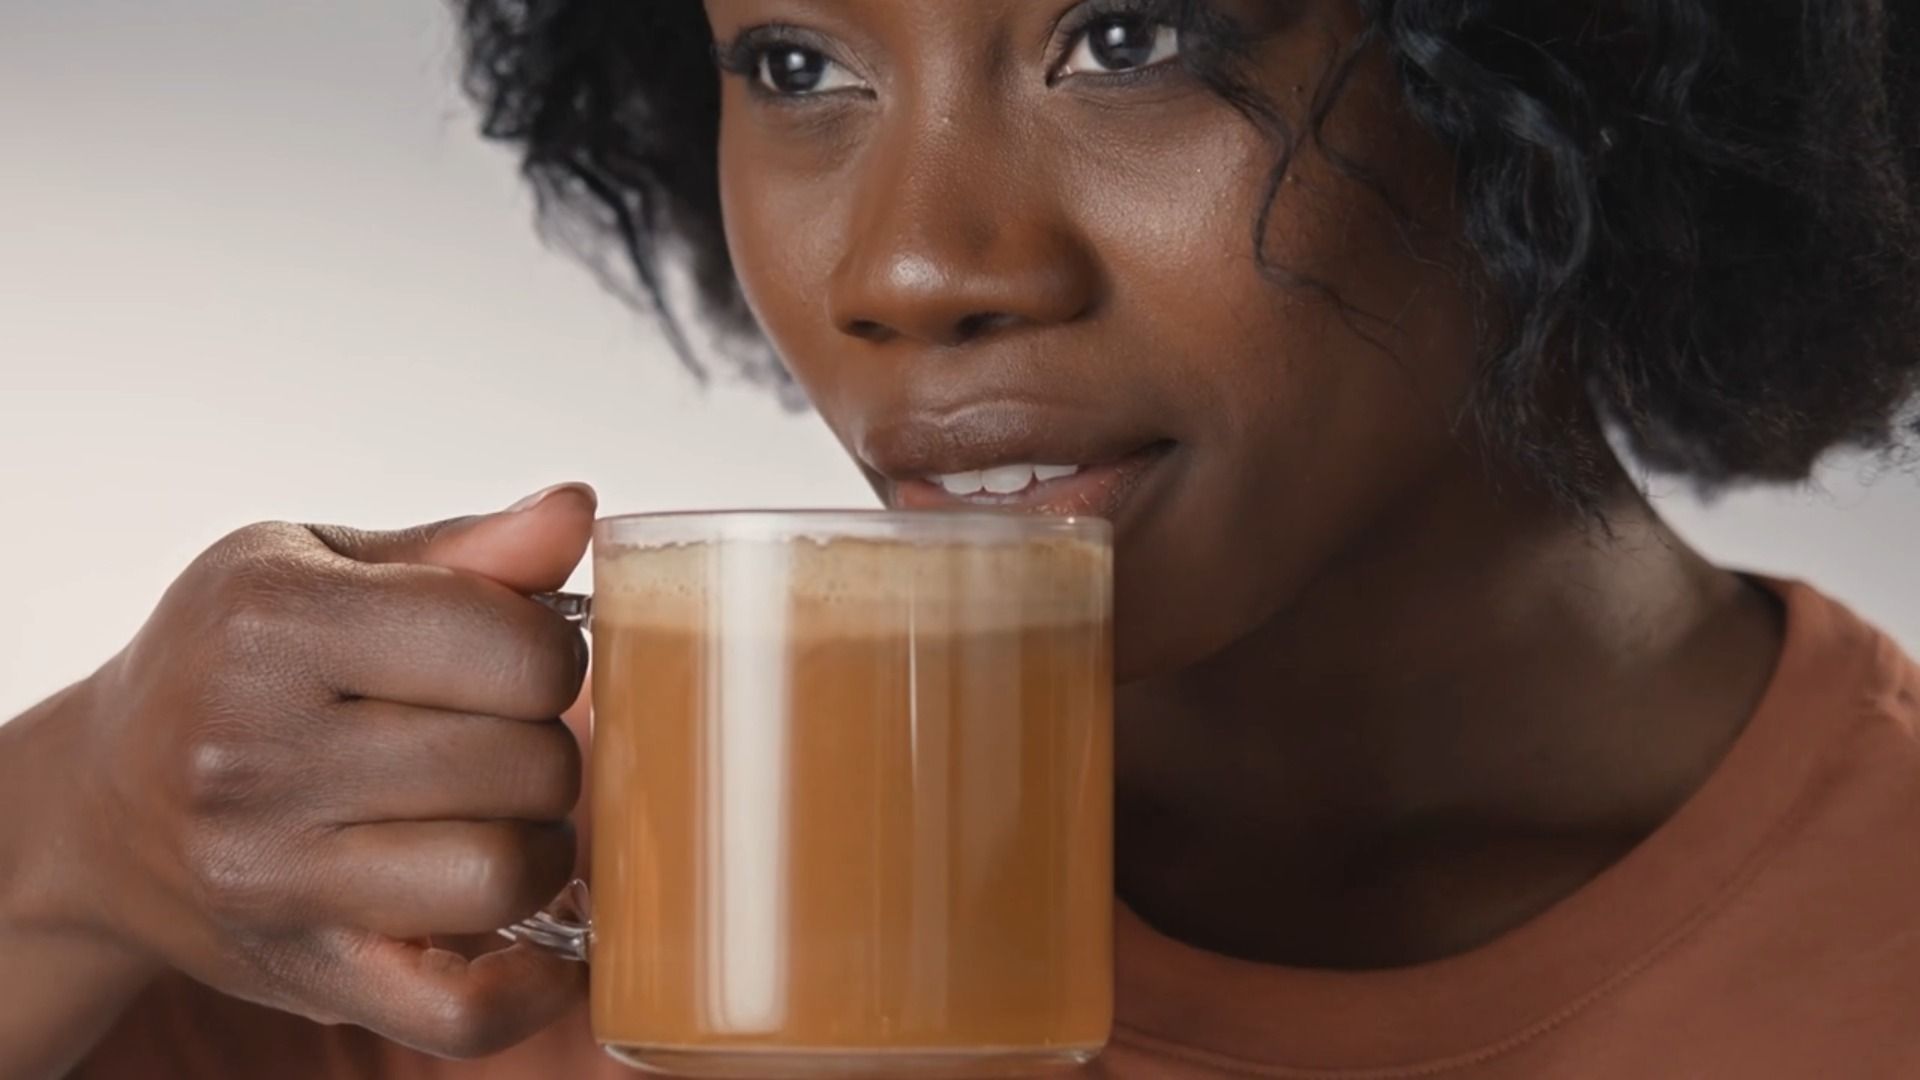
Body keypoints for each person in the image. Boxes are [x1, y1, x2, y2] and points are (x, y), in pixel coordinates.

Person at [4, 0, 1919, 1076]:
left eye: (1128, 35)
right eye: (796, 66)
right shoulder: (447, 897)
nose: (912, 265)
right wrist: (70, 837)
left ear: (1560, 74)